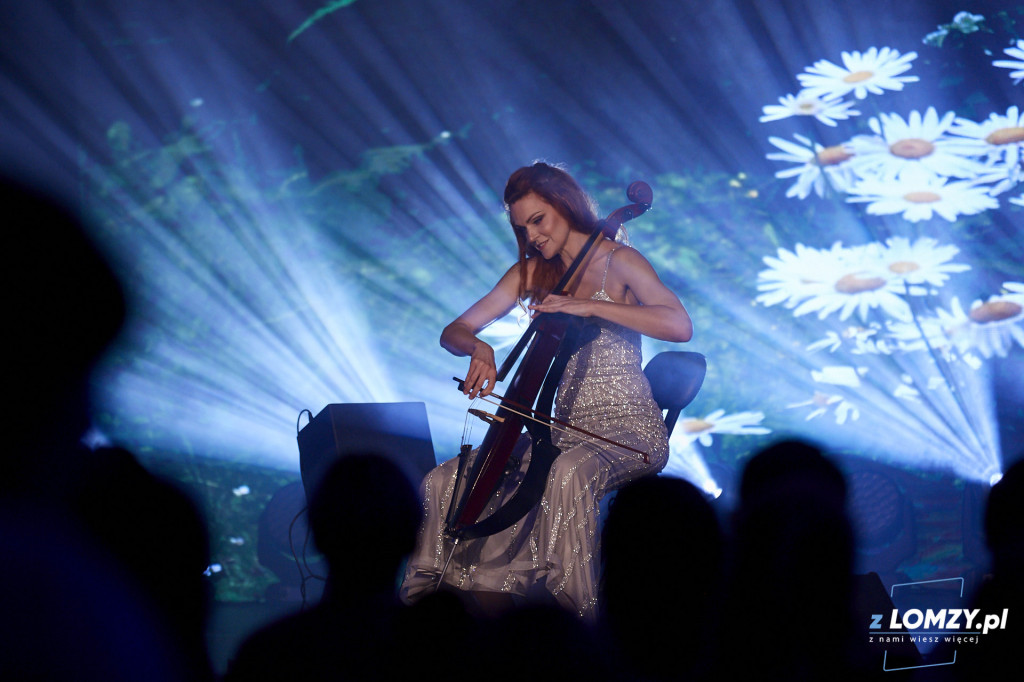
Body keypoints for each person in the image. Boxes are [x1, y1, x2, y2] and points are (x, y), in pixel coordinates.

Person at [400, 162, 692, 620]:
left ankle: (581, 625)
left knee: (568, 474)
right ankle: (450, 620)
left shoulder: (620, 262)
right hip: (556, 436)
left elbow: (679, 325)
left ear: (564, 204)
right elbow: (454, 329)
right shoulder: (532, 274)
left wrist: (586, 305)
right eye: (523, 227)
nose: (533, 236)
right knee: (446, 481)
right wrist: (479, 347)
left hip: (629, 429)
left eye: (539, 220)